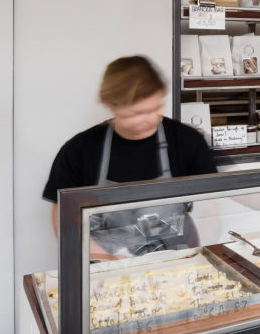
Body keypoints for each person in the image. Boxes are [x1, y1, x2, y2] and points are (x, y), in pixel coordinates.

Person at [43, 56, 217, 260]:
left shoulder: (185, 140)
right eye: (137, 113)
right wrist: (108, 262)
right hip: (108, 273)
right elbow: (64, 219)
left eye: (156, 107)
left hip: (178, 267)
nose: (151, 119)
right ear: (111, 105)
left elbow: (210, 209)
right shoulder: (80, 150)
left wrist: (201, 258)